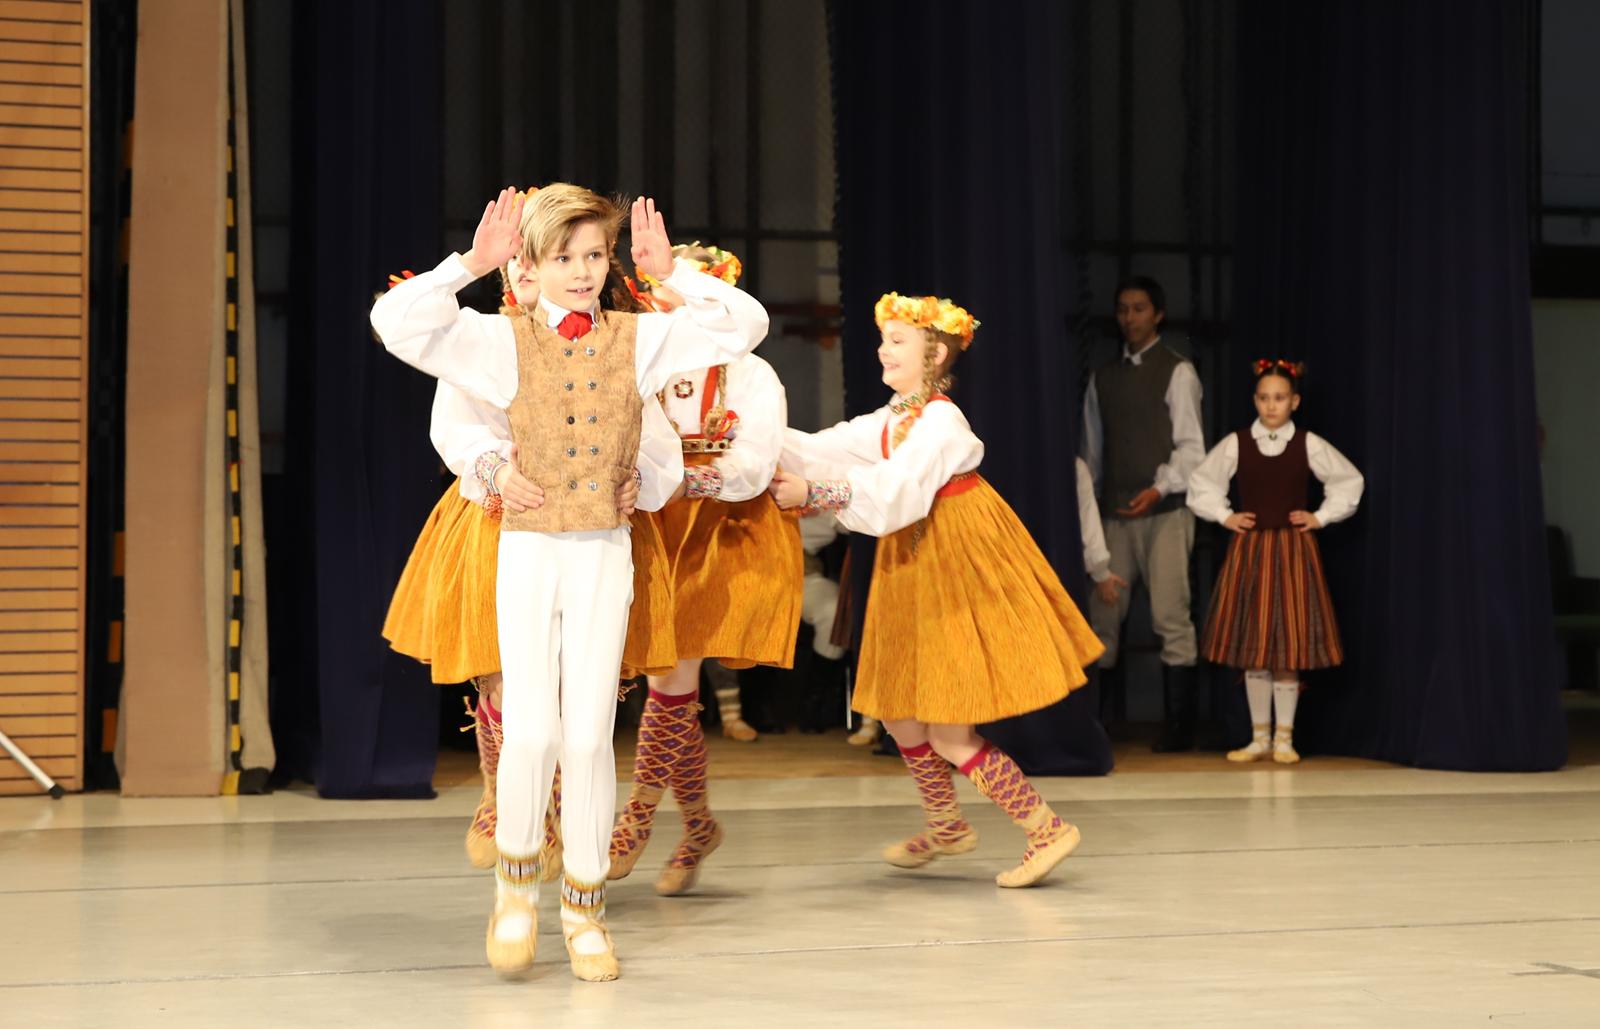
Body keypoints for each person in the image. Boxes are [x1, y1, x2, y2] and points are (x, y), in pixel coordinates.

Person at [372, 185, 768, 981]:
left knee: (588, 734)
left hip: (602, 552)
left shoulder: (639, 337)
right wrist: (469, 264)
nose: (584, 271)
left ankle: (585, 910)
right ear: (530, 263)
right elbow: (396, 321)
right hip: (527, 550)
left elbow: (745, 326)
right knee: (531, 730)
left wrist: (673, 276)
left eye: (595, 255)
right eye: (564, 256)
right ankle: (515, 892)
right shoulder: (498, 340)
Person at [772, 293, 1103, 888]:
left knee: (949, 727)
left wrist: (816, 495)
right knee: (898, 708)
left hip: (954, 561)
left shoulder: (941, 422)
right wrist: (751, 435)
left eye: (898, 340)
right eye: (884, 339)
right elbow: (822, 447)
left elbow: (898, 491)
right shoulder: (895, 416)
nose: (883, 349)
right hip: (911, 559)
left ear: (936, 353)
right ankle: (947, 824)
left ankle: (1046, 828)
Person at [607, 245, 803, 896]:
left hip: (721, 529)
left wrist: (688, 479)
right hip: (656, 524)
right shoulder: (646, 362)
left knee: (673, 672)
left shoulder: (750, 372)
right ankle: (698, 827)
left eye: (678, 283)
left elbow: (755, 462)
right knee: (671, 679)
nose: (659, 293)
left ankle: (635, 818)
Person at [1187, 360, 1364, 764]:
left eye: (1280, 398)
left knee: (1287, 646)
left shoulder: (1306, 443)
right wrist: (1225, 515)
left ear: (1294, 402)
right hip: (1251, 552)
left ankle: (1284, 737)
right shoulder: (1238, 443)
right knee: (1255, 647)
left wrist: (1320, 516)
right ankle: (1259, 737)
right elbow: (1202, 482)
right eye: (1265, 398)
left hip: (1291, 552)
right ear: (1255, 400)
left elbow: (1348, 480)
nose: (1271, 405)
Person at [1081, 276, 1205, 751]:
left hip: (1165, 513)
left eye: (1139, 308)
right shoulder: (1103, 378)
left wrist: (1160, 487)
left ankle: (1179, 728)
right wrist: (1093, 510)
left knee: (1171, 614)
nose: (1129, 317)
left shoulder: (1177, 371)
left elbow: (1191, 448)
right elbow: (1092, 452)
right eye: (1123, 309)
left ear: (1158, 314)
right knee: (1104, 618)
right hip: (1114, 515)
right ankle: (1097, 723)